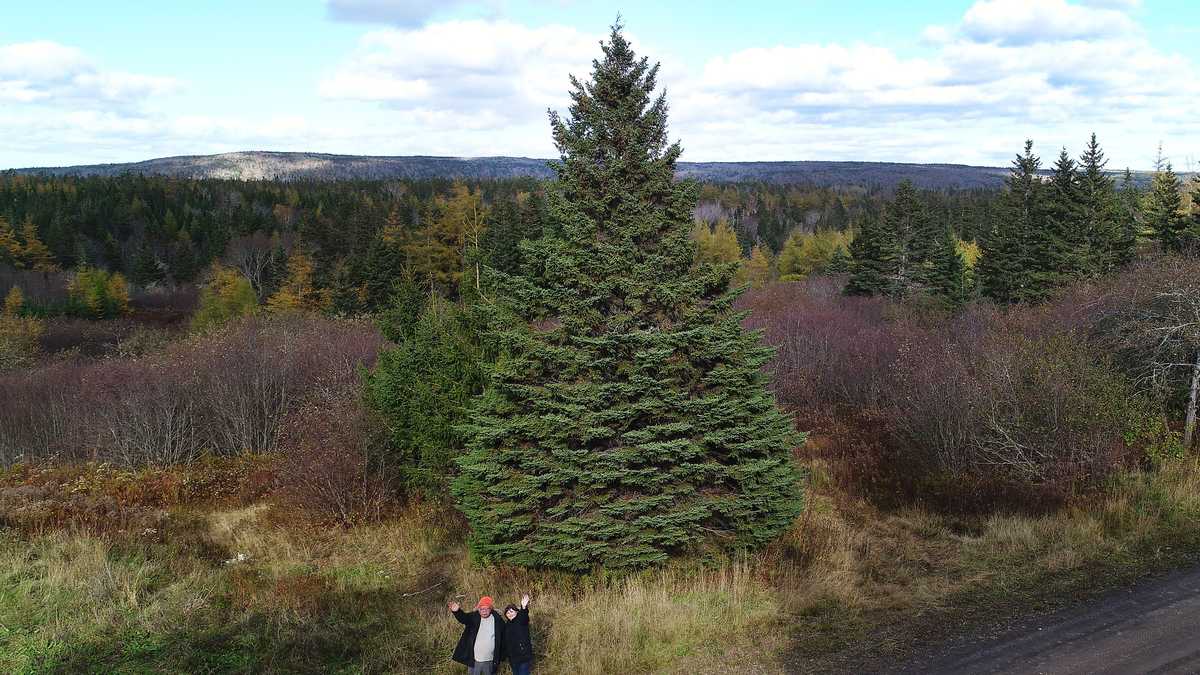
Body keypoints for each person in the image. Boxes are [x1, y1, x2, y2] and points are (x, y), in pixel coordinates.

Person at [449, 595, 505, 674]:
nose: (484, 611)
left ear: (491, 609)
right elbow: (464, 618)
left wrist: (502, 655)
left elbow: (504, 636)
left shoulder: (498, 619)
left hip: (490, 660)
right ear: (478, 609)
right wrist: (457, 611)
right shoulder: (474, 617)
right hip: (474, 659)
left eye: (486, 608)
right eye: (481, 609)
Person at [501, 594, 533, 675]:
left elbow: (524, 616)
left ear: (516, 612)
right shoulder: (507, 625)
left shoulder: (521, 620)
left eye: (511, 611)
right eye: (507, 612)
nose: (509, 614)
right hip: (513, 659)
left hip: (523, 657)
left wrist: (523, 607)